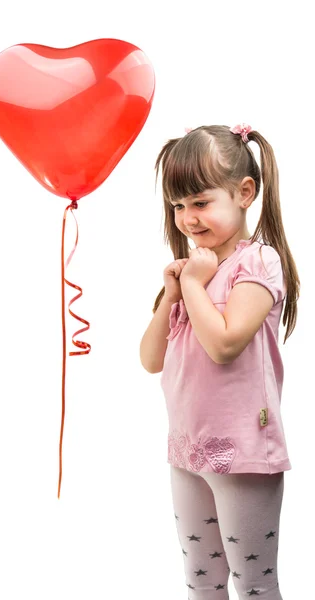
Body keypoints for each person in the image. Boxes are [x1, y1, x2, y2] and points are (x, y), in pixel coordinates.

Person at [139, 123, 300, 600]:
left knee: (253, 583)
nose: (188, 218)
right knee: (201, 580)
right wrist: (174, 294)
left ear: (244, 192)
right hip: (188, 448)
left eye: (200, 202)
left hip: (243, 452)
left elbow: (225, 344)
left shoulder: (258, 264)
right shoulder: (193, 273)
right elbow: (151, 359)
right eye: (178, 206)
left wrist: (192, 285)